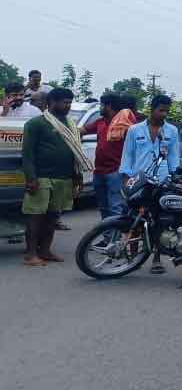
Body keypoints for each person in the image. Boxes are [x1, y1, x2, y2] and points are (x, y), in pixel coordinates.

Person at [20, 88, 89, 267]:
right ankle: (31, 254)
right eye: (64, 102)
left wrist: (77, 177)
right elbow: (27, 154)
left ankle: (45, 250)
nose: (68, 106)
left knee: (53, 217)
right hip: (41, 177)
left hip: (64, 178)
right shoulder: (36, 124)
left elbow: (76, 153)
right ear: (51, 102)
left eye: (69, 102)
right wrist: (31, 178)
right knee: (35, 217)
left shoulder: (70, 124)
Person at [82, 93, 126, 220]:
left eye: (102, 105)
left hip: (115, 172)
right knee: (103, 207)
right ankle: (108, 238)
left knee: (115, 207)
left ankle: (115, 239)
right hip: (99, 172)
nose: (100, 107)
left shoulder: (123, 124)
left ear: (109, 106)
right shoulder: (100, 122)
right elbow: (81, 130)